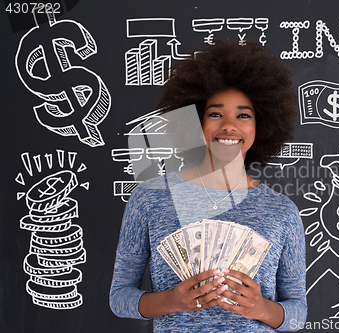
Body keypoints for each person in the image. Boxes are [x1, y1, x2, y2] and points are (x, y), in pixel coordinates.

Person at [109, 39, 307, 332]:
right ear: (196, 121)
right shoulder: (149, 199)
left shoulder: (282, 212)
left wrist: (261, 307)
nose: (229, 125)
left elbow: (298, 313)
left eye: (243, 115)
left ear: (261, 125)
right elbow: (119, 298)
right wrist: (173, 301)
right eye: (215, 114)